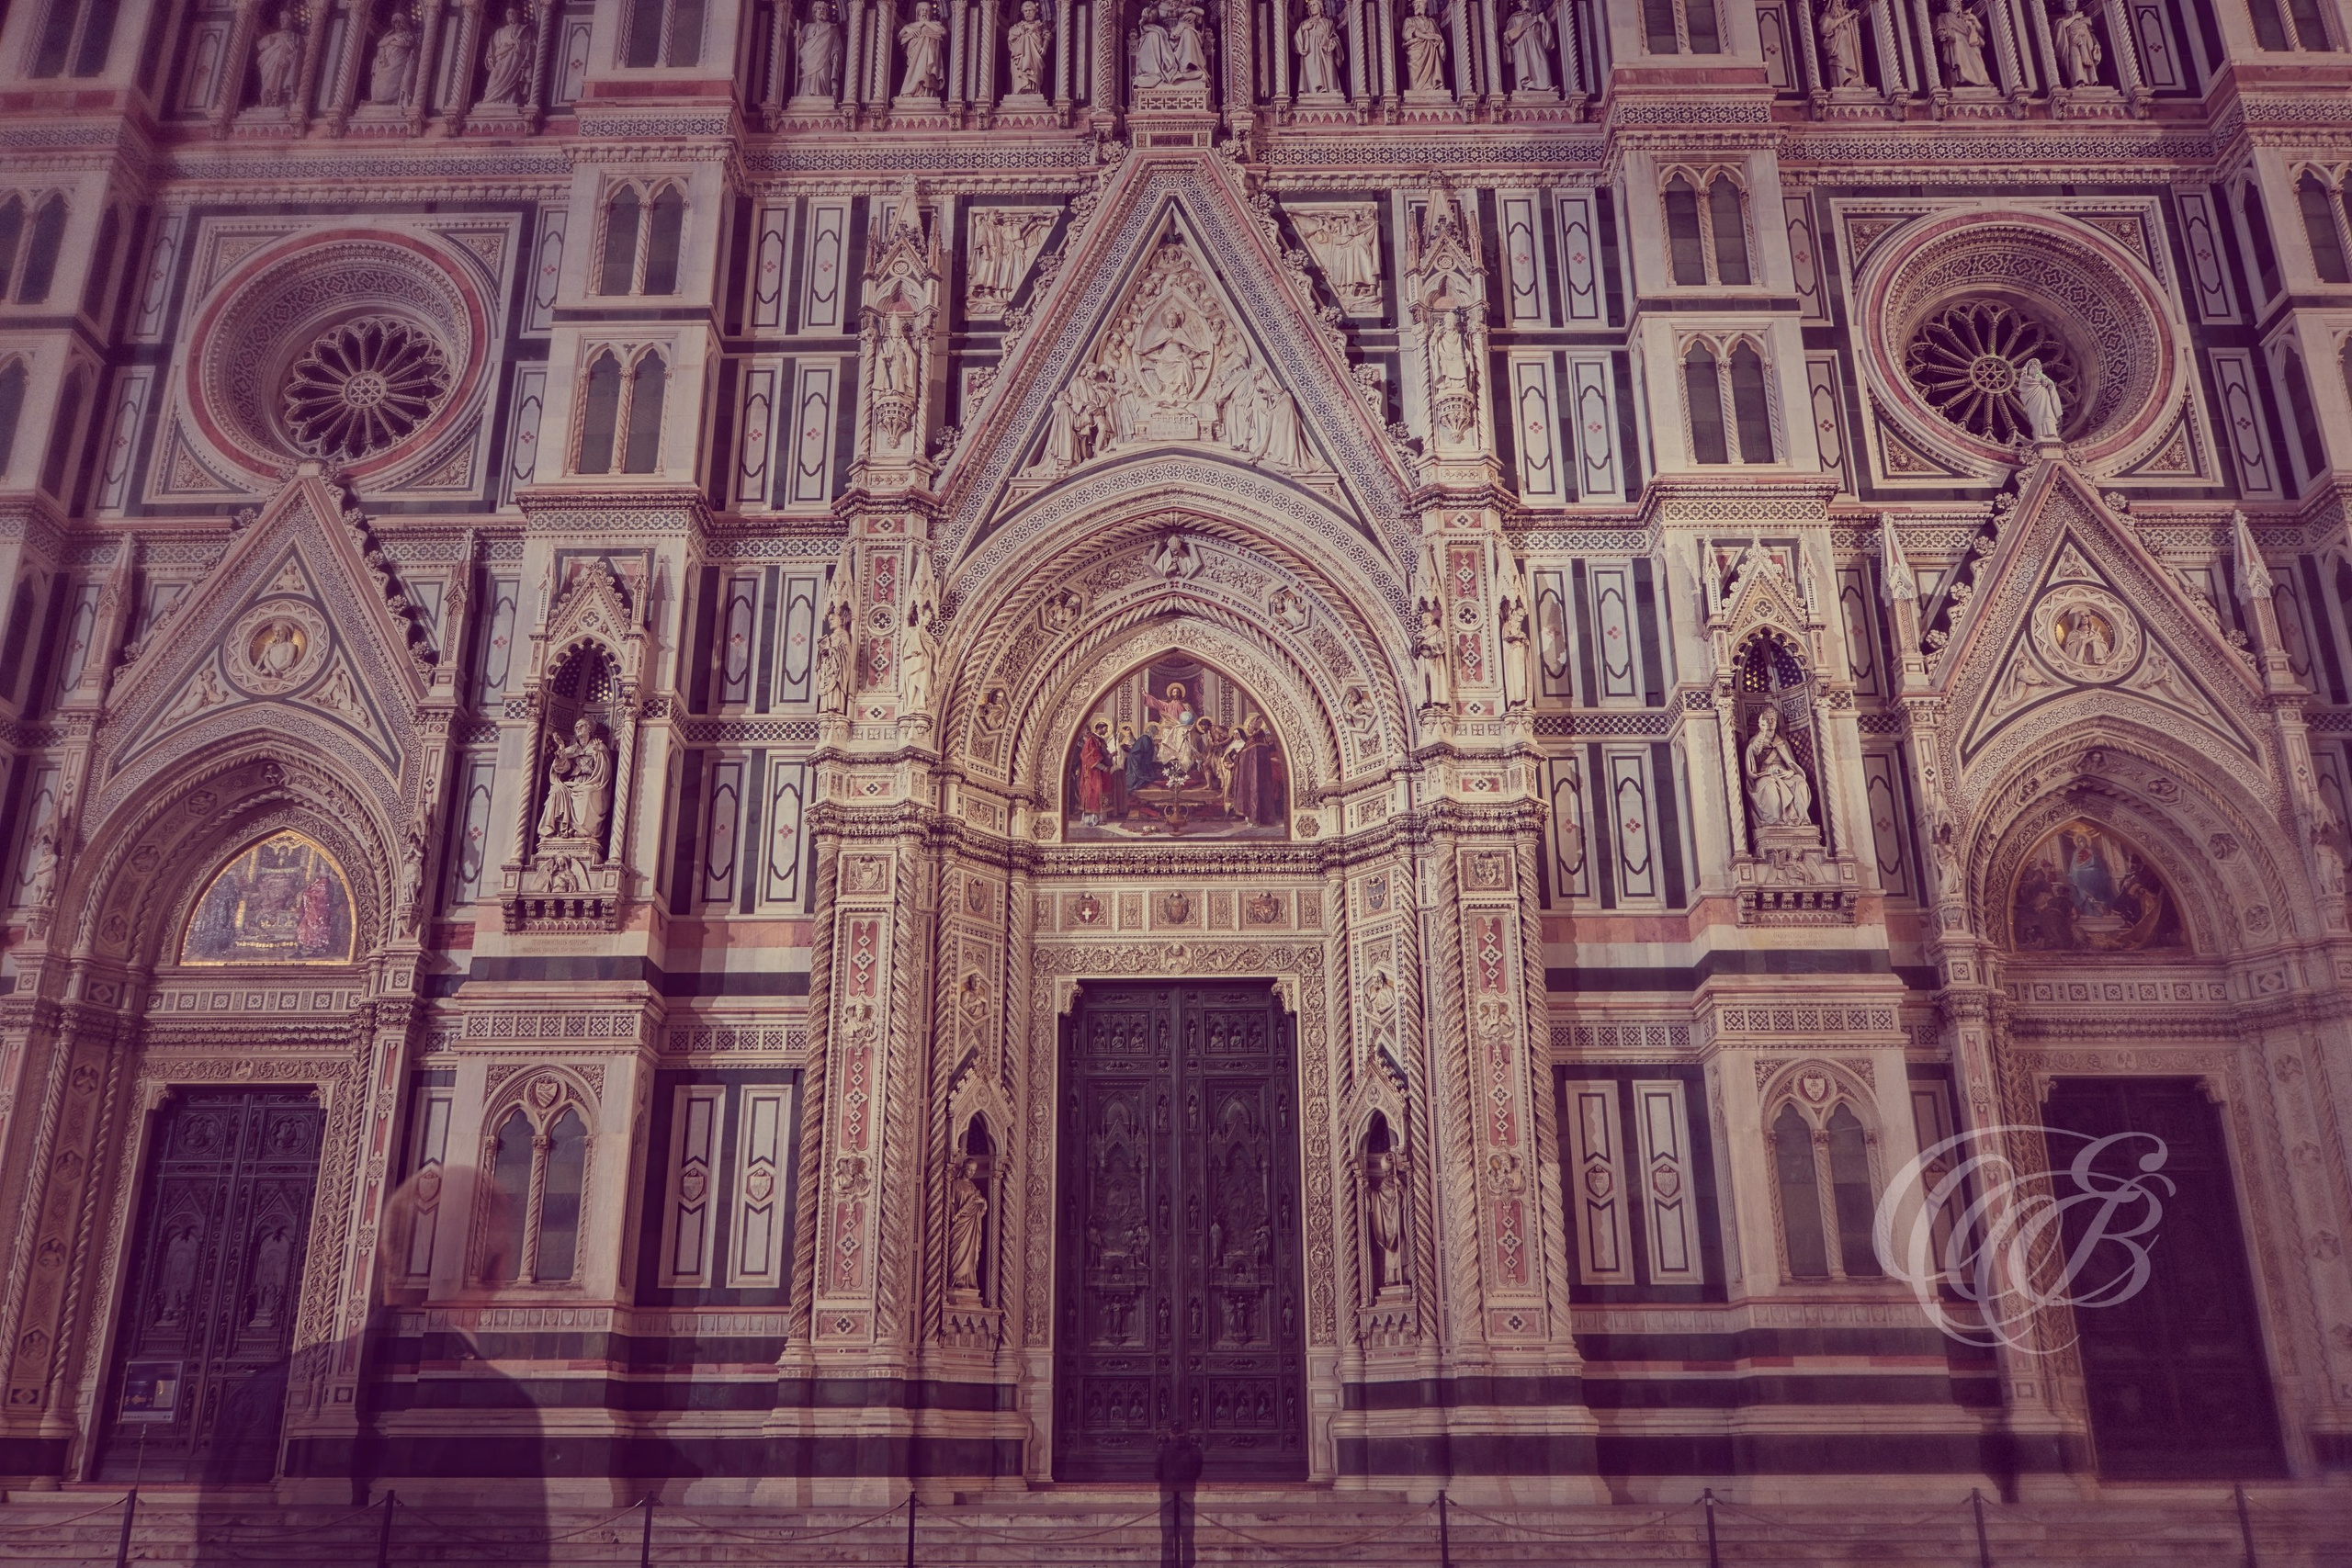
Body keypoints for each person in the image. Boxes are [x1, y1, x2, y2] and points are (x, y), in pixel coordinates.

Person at [1744, 707, 1813, 829]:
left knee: (1800, 783)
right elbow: (1754, 750)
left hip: (1784, 775)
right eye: (1767, 720)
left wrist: (1790, 772)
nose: (1770, 722)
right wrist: (1762, 732)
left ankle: (1800, 818)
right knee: (1770, 786)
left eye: (1773, 720)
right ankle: (1776, 821)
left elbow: (1792, 764)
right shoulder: (1756, 741)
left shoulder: (1783, 743)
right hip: (1764, 775)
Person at [1156, 1422, 1203, 1568]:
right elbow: (1197, 1472)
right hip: (1187, 1495)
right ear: (1183, 1433)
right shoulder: (1194, 1450)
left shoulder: (1163, 1450)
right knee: (1188, 1537)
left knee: (1167, 1537)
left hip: (1168, 1496)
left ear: (1171, 1433)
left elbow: (1157, 1474)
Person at [480, 5, 532, 106]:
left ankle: (509, 101)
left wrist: (516, 44)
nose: (511, 15)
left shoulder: (523, 29)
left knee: (510, 81)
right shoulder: (499, 32)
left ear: (517, 15)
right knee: (492, 81)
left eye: (513, 13)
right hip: (500, 59)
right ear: (506, 16)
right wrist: (490, 57)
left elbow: (529, 48)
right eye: (509, 13)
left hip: (514, 59)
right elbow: (492, 49)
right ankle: (490, 101)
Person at [368, 8, 419, 104]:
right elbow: (379, 44)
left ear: (403, 23)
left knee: (392, 82)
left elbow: (403, 43)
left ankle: (392, 102)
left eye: (399, 23)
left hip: (399, 61)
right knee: (380, 80)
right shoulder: (390, 36)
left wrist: (390, 42)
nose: (397, 25)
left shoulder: (409, 36)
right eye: (395, 23)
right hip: (387, 61)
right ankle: (378, 102)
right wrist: (392, 37)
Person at [796, 0, 843, 98]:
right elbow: (799, 48)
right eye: (819, 8)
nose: (821, 11)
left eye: (824, 9)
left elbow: (837, 45)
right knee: (807, 82)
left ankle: (822, 95)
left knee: (822, 83)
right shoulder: (807, 27)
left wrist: (836, 55)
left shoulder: (832, 28)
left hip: (824, 62)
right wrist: (798, 38)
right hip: (808, 62)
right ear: (814, 12)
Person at [1007, 0, 1050, 93]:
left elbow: (1047, 36)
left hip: (1035, 54)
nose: (1028, 13)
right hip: (1021, 56)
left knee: (1035, 66)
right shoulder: (1019, 25)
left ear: (1035, 11)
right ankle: (1020, 89)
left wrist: (1044, 48)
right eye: (1025, 11)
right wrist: (1021, 30)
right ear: (1022, 13)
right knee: (1019, 67)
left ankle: (1032, 89)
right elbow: (1011, 36)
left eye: (1030, 10)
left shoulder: (1039, 25)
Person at [1403, 0, 1447, 92]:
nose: (1417, 5)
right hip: (1416, 53)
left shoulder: (1431, 22)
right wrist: (1428, 37)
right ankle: (1417, 90)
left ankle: (1434, 86)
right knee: (1415, 81)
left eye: (1419, 2)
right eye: (1415, 4)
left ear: (1425, 5)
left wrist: (1437, 40)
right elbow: (1408, 33)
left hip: (1431, 54)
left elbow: (1438, 36)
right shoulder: (1409, 20)